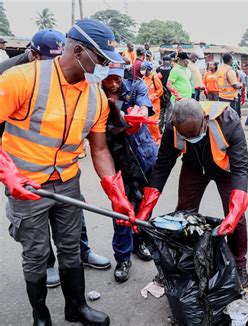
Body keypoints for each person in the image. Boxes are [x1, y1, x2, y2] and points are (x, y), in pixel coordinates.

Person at [0, 19, 135, 325]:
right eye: (100, 59)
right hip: (27, 185)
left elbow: (100, 150)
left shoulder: (96, 97)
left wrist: (117, 195)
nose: (105, 68)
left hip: (67, 182)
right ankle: (41, 315)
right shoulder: (22, 79)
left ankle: (76, 308)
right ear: (77, 50)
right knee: (36, 255)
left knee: (71, 247)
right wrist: (8, 174)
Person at [125, 98, 248, 286]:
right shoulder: (172, 127)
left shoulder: (228, 120)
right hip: (193, 167)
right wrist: (146, 208)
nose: (191, 138)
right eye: (186, 136)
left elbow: (241, 168)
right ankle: (182, 262)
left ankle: (239, 263)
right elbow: (162, 166)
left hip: (226, 169)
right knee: (183, 213)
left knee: (236, 217)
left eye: (195, 133)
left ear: (204, 119)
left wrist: (234, 212)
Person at [101, 63, 156, 282]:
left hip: (144, 155)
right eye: (109, 80)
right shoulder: (94, 95)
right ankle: (123, 257)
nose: (114, 84)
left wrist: (139, 112)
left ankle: (139, 240)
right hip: (117, 160)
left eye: (117, 79)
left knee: (145, 204)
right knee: (121, 211)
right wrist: (117, 119)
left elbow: (145, 106)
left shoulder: (136, 87)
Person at [141, 60, 164, 144]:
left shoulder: (154, 78)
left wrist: (153, 96)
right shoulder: (143, 78)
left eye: (143, 68)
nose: (142, 70)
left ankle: (157, 138)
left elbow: (160, 91)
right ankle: (152, 137)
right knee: (147, 122)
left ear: (148, 69)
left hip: (155, 104)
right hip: (146, 104)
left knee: (153, 122)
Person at [156, 55, 173, 130]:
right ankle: (167, 128)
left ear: (163, 60)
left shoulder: (159, 68)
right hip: (170, 91)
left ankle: (159, 128)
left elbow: (157, 79)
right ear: (170, 60)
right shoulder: (172, 68)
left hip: (161, 92)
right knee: (169, 110)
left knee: (161, 110)